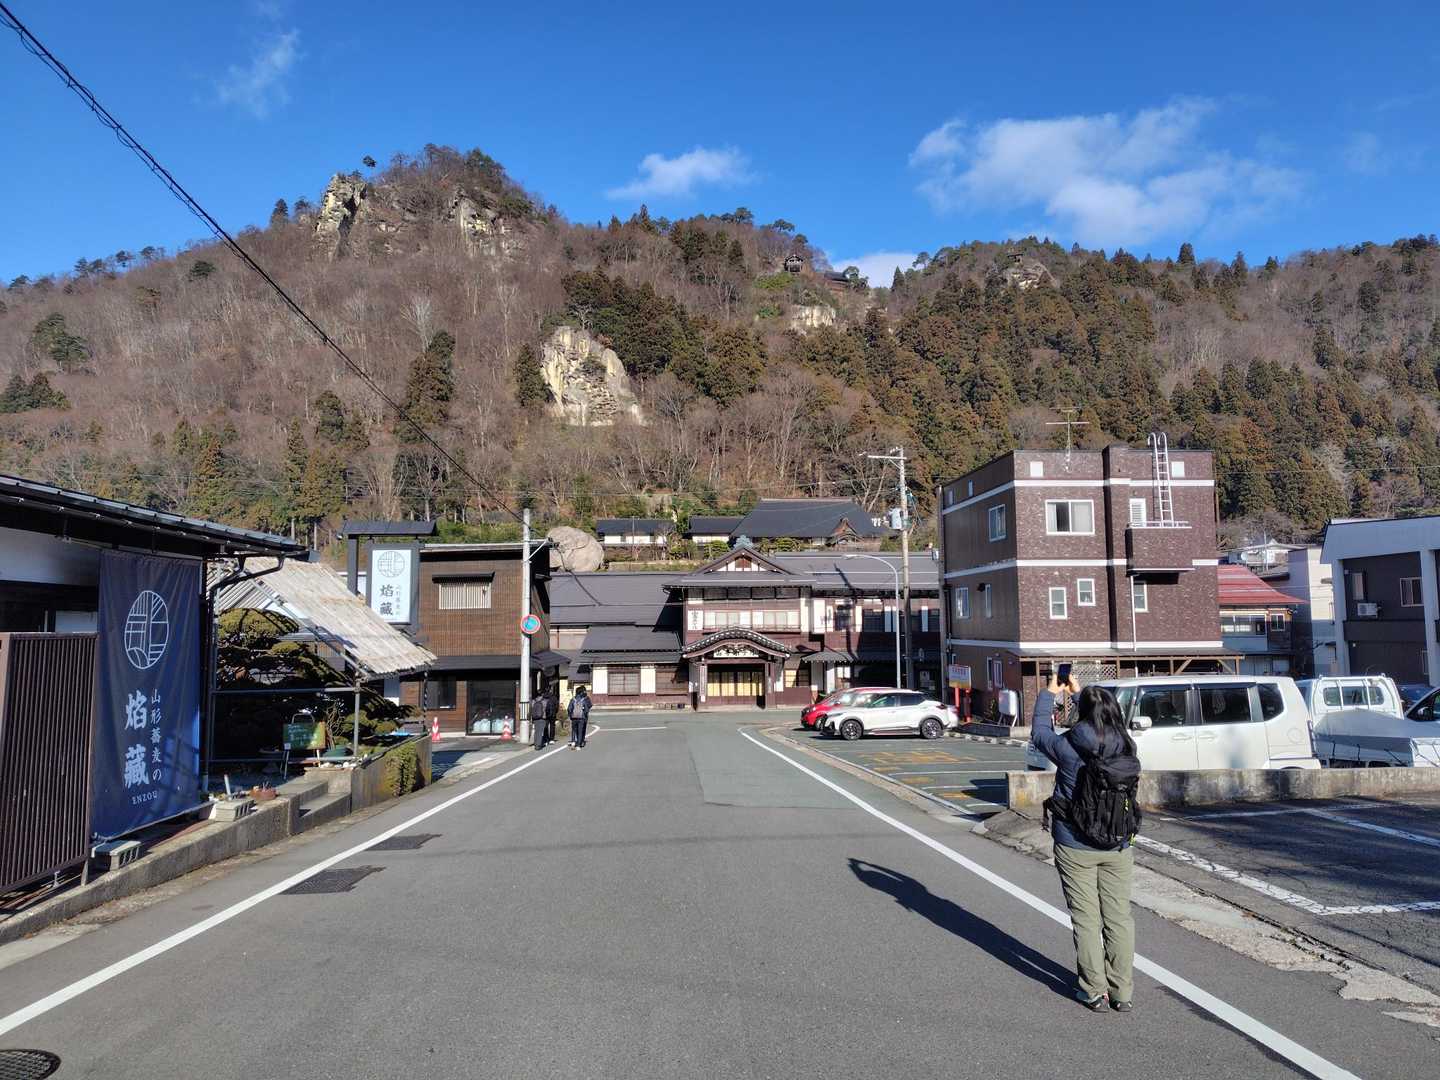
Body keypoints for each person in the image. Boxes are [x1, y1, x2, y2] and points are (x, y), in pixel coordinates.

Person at [1031, 671, 1139, 1013]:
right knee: (1119, 918)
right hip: (1117, 843)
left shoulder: (1068, 747)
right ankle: (1122, 992)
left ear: (1083, 713)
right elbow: (1101, 724)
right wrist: (1084, 694)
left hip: (1074, 843)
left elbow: (1039, 733)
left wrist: (1051, 692)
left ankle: (1093, 990)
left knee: (1086, 918)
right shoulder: (1127, 746)